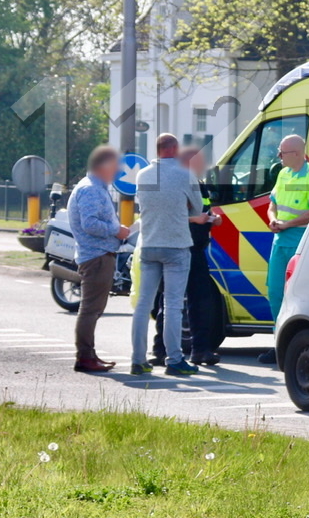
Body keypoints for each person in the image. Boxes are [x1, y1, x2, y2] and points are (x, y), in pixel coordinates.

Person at [132, 133, 208, 376]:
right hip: (176, 247)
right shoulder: (184, 174)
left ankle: (137, 359)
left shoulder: (142, 175)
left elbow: (142, 206)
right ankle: (174, 360)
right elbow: (197, 208)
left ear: (157, 150)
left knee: (143, 305)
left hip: (149, 245)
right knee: (173, 305)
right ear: (174, 149)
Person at [258, 134, 309, 364]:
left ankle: (290, 348)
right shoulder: (283, 173)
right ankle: (278, 344)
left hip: (300, 242)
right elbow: (272, 204)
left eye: (282, 152)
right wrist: (273, 219)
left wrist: (286, 224)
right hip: (280, 241)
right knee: (275, 293)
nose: (278, 156)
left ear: (297, 153)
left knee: (297, 296)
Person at [66, 146, 130, 373]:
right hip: (96, 256)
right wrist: (117, 230)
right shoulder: (91, 189)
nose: (118, 171)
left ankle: (88, 354)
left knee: (93, 308)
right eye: (115, 167)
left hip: (97, 255)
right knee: (90, 309)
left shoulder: (93, 187)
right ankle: (84, 356)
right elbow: (90, 224)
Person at [180, 146, 223, 365]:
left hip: (197, 248)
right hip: (180, 248)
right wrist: (194, 219)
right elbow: (173, 213)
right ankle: (160, 351)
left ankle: (200, 351)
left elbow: (205, 210)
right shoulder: (179, 182)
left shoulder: (199, 183)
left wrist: (213, 219)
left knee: (201, 301)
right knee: (172, 299)